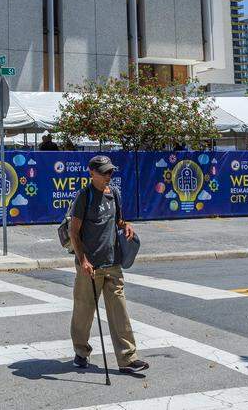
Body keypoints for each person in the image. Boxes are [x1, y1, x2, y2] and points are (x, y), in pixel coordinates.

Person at [68, 155, 149, 374]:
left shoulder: (114, 194)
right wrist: (83, 260)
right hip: (90, 265)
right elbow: (74, 232)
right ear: (91, 173)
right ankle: (81, 352)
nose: (108, 176)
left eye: (110, 172)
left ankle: (128, 358)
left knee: (119, 311)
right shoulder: (84, 197)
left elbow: (117, 221)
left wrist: (126, 225)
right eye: (104, 172)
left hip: (113, 262)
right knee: (84, 311)